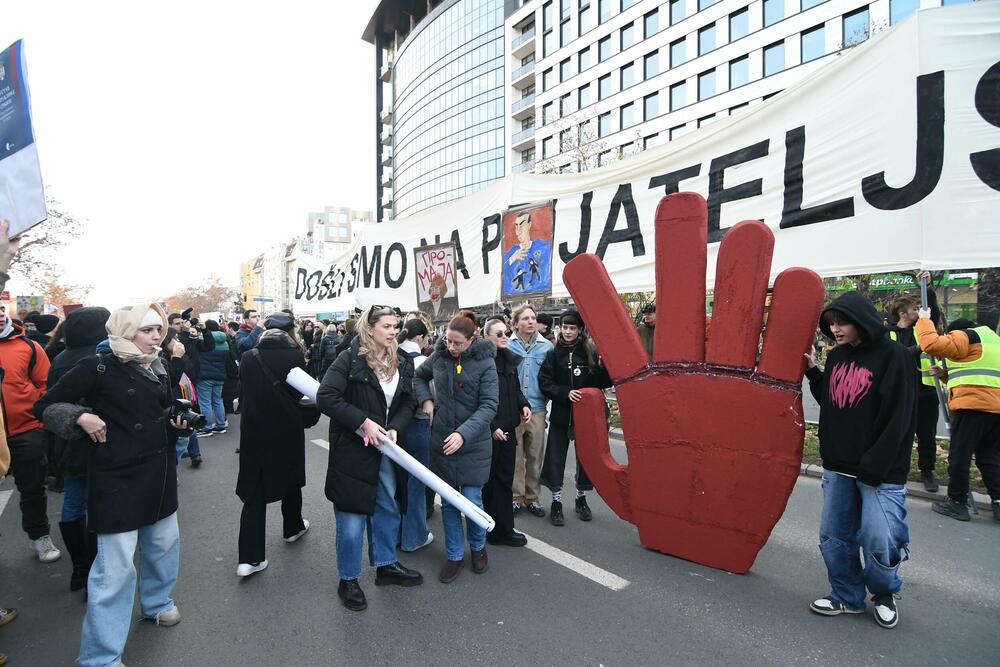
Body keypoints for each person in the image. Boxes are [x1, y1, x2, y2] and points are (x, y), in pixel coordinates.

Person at [35, 303, 188, 667]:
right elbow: (46, 406)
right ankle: (100, 656)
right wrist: (80, 416)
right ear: (125, 330)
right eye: (147, 330)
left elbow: (160, 412)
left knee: (164, 546)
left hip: (158, 471)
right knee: (115, 570)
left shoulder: (157, 365)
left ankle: (157, 602)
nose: (156, 337)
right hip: (116, 477)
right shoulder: (96, 365)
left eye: (159, 330)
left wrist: (176, 422)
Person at [804, 291, 915, 629]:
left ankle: (883, 593)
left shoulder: (894, 356)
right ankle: (848, 596)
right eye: (832, 324)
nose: (836, 329)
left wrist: (875, 466)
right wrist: (814, 373)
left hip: (879, 473)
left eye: (842, 322)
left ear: (862, 320)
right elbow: (833, 400)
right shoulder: (837, 357)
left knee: (880, 539)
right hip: (838, 467)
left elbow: (899, 416)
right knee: (835, 538)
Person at [317, 305, 421, 611]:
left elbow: (408, 401)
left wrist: (395, 428)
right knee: (351, 517)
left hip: (386, 451)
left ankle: (386, 565)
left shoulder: (402, 360)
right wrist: (362, 422)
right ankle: (348, 579)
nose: (392, 331)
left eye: (395, 326)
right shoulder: (350, 358)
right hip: (353, 450)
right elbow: (326, 397)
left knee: (387, 509)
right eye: (387, 326)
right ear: (370, 328)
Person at [414, 311, 498, 583]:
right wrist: (426, 399)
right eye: (448, 341)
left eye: (457, 343)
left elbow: (489, 407)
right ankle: (453, 555)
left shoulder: (486, 364)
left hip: (473, 444)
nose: (451, 347)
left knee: (472, 502)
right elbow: (418, 376)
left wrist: (463, 434)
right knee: (449, 504)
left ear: (472, 340)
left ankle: (478, 547)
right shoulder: (438, 356)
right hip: (442, 443)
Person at [235, 313, 311, 577]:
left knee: (255, 489)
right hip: (287, 428)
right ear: (291, 331)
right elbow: (303, 394)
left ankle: (250, 558)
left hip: (254, 430)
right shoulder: (295, 356)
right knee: (290, 478)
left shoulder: (248, 357)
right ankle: (293, 527)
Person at [48, 306, 111, 592]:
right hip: (101, 441)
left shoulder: (59, 357)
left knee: (73, 504)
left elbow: (50, 403)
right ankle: (98, 568)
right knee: (100, 505)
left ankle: (79, 569)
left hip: (67, 442)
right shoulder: (101, 358)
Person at [914, 313, 1000, 522]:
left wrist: (924, 320)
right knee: (989, 457)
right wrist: (944, 373)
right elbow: (974, 370)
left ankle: (957, 502)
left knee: (959, 455)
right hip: (995, 408)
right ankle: (998, 503)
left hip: (972, 406)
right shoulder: (992, 341)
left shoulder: (967, 336)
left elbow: (931, 344)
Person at [0, 295, 59, 563]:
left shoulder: (29, 347)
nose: (0, 314)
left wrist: (38, 422)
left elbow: (46, 386)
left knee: (32, 488)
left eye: (1, 309)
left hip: (25, 430)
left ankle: (40, 536)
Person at [539, 309, 612, 526]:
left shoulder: (589, 351)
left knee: (585, 461)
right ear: (559, 328)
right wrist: (564, 392)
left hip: (585, 419)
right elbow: (545, 383)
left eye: (572, 327)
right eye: (565, 327)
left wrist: (604, 366)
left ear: (580, 330)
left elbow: (603, 382)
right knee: (555, 459)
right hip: (561, 416)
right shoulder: (553, 354)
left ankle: (581, 500)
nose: (568, 331)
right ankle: (556, 503)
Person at [886, 275, 942, 492]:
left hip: (926, 393)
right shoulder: (888, 334)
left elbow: (933, 312)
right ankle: (898, 469)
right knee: (900, 435)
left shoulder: (925, 328)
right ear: (903, 314)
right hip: (901, 394)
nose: (921, 312)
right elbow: (896, 358)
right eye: (916, 309)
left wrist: (927, 287)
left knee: (927, 436)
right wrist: (920, 348)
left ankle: (928, 471)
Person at [482, 318, 530, 547]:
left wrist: (524, 404)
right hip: (490, 432)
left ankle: (504, 529)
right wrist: (492, 427)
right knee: (489, 482)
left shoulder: (508, 360)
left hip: (509, 428)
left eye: (506, 333)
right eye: (499, 333)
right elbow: (477, 400)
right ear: (487, 336)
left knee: (504, 480)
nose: (504, 336)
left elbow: (516, 389)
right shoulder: (482, 362)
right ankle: (488, 529)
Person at [507, 304, 553, 518]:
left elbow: (550, 378)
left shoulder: (546, 348)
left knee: (535, 456)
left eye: (533, 318)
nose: (531, 322)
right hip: (513, 409)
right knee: (515, 457)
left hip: (537, 409)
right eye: (525, 318)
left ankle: (532, 497)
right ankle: (516, 497)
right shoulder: (507, 346)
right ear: (515, 323)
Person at [397, 317, 434, 552]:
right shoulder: (423, 361)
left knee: (396, 481)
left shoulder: (389, 356)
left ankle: (397, 535)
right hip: (419, 425)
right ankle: (414, 536)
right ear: (420, 338)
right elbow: (433, 396)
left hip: (393, 428)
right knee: (416, 481)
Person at [194, 320, 230, 437]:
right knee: (218, 401)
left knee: (205, 403)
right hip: (220, 375)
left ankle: (206, 427)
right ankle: (220, 425)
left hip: (205, 376)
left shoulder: (202, 339)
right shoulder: (225, 341)